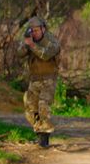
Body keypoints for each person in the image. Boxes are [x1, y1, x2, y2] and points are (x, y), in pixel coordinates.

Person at [17, 16, 60, 148]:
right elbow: (19, 54)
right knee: (30, 109)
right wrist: (26, 44)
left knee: (43, 106)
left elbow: (46, 55)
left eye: (36, 30)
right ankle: (39, 130)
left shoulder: (51, 41)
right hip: (34, 79)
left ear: (43, 29)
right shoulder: (30, 41)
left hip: (48, 79)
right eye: (32, 30)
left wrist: (32, 45)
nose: (34, 33)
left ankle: (44, 137)